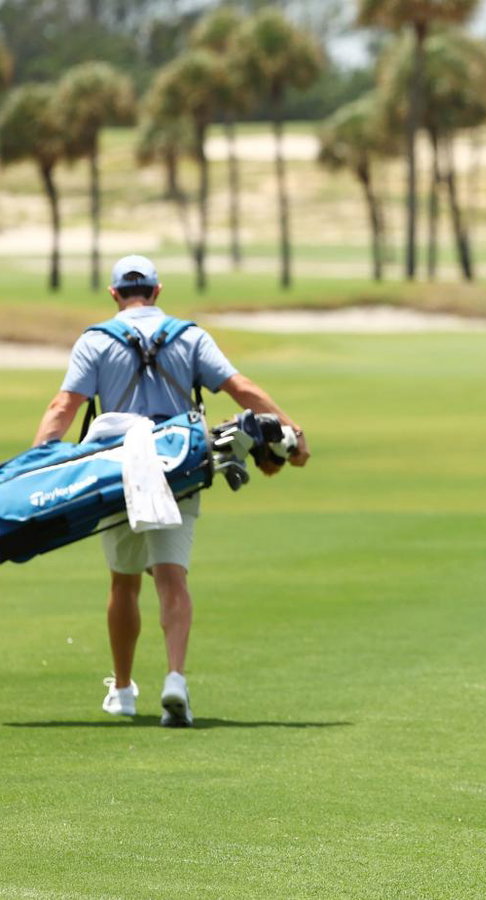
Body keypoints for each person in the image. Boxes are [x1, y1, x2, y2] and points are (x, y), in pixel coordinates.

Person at [30, 255, 310, 727]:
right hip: (177, 466)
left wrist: (38, 466)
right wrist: (292, 430)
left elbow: (64, 406)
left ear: (114, 294)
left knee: (123, 581)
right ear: (158, 291)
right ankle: (175, 679)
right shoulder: (190, 336)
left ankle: (122, 689)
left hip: (115, 470)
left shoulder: (95, 340)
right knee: (172, 578)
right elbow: (239, 388)